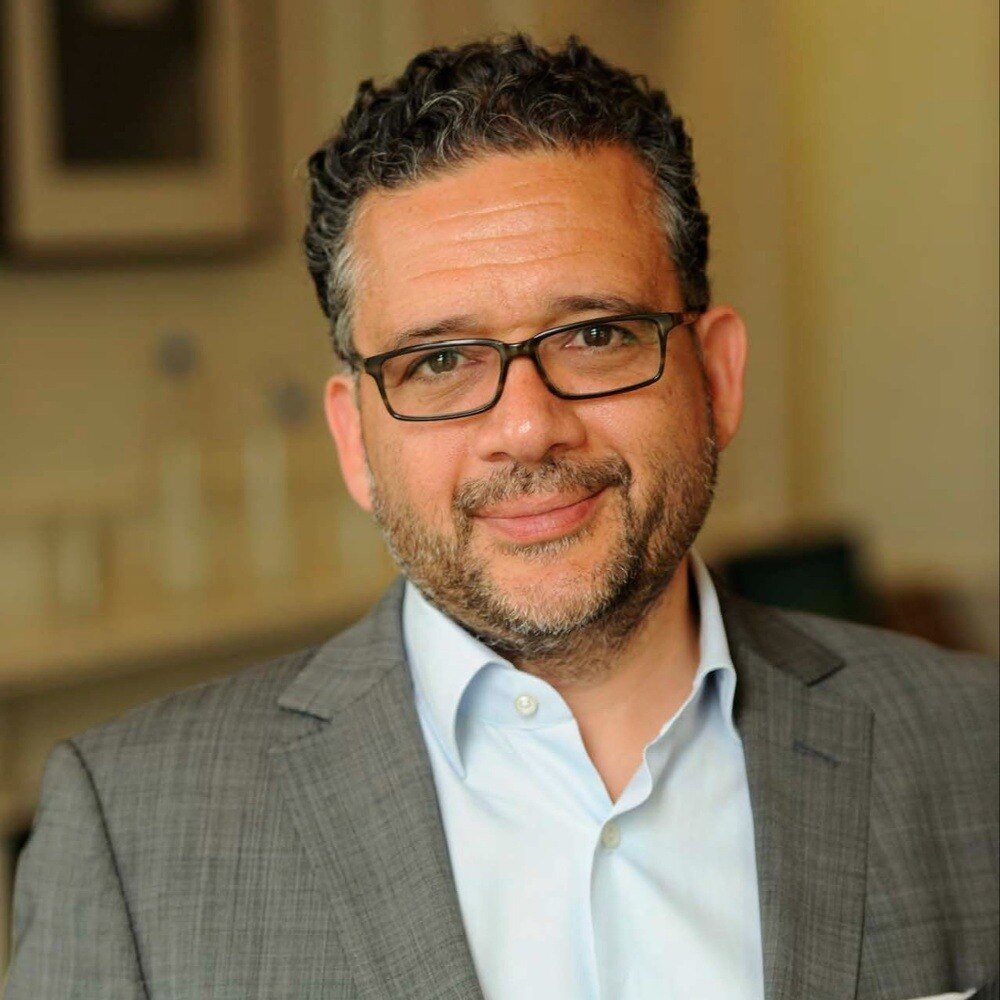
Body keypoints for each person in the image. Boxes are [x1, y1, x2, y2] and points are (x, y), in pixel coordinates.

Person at [5, 35, 997, 1000]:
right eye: (438, 360)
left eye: (596, 335)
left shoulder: (973, 748)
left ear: (717, 376)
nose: (526, 427)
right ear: (354, 440)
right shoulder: (132, 831)